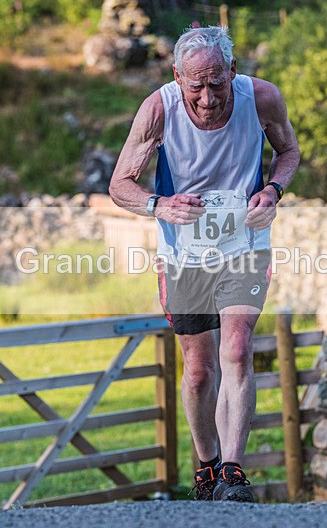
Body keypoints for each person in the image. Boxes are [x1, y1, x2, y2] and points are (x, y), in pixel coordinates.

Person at [108, 26, 299, 502]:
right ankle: (208, 466)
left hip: (244, 245)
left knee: (236, 348)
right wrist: (159, 205)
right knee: (198, 371)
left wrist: (272, 190)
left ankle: (233, 471)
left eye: (217, 83)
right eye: (196, 86)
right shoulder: (159, 108)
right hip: (184, 255)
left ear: (232, 70)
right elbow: (120, 185)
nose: (208, 98)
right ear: (178, 77)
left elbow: (289, 152)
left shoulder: (261, 98)